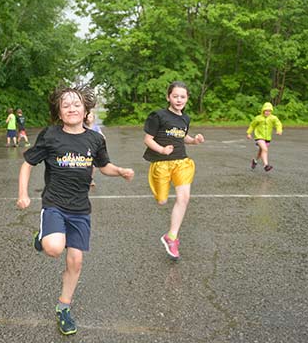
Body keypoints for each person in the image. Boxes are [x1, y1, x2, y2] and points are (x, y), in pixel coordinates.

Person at [17, 86, 134, 336]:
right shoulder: (50, 135)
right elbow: (28, 163)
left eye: (77, 104)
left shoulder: (94, 139)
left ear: (85, 110)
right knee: (54, 248)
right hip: (55, 204)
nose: (72, 108)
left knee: (76, 260)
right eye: (66, 105)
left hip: (81, 209)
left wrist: (120, 171)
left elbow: (104, 166)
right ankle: (43, 236)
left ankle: (63, 308)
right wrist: (23, 194)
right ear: (59, 112)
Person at [143, 81, 204, 261]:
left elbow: (182, 136)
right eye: (175, 96)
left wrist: (194, 141)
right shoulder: (158, 116)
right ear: (168, 97)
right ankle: (170, 235)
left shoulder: (185, 118)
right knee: (162, 201)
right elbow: (148, 139)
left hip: (181, 162)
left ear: (187, 99)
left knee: (183, 198)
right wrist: (161, 150)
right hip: (161, 163)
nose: (179, 100)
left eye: (182, 97)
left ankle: (172, 237)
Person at [246, 102, 283, 172]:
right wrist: (248, 133)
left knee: (261, 151)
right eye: (266, 110)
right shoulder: (258, 118)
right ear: (263, 110)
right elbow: (252, 125)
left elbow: (278, 124)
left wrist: (279, 130)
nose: (267, 112)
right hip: (259, 137)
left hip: (267, 138)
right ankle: (266, 165)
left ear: (271, 111)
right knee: (265, 149)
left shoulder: (273, 118)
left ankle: (255, 160)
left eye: (269, 111)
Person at [84, 111, 105, 187]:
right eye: (87, 117)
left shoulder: (96, 127)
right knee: (84, 164)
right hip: (84, 148)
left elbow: (101, 135)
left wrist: (103, 139)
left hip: (93, 149)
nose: (88, 119)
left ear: (93, 118)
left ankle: (91, 178)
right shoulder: (83, 127)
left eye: (90, 117)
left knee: (93, 165)